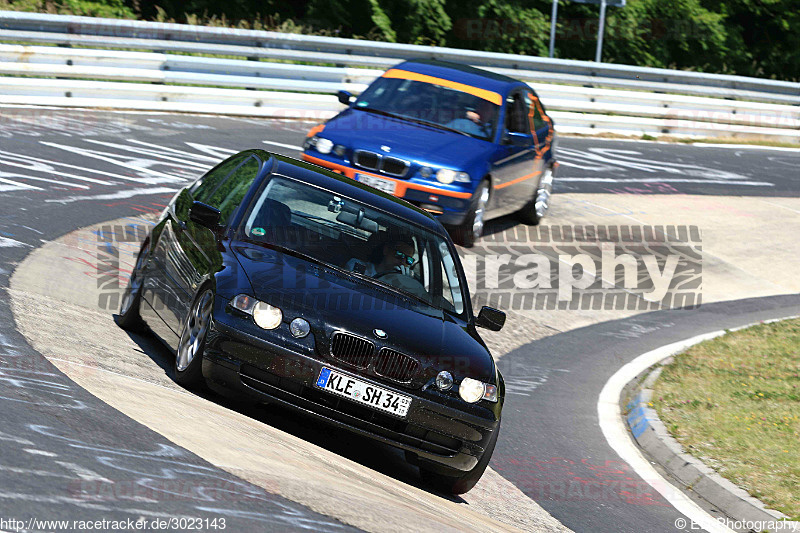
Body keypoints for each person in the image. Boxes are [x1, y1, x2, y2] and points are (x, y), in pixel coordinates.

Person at [346, 231, 415, 278]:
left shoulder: (402, 284)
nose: (403, 261)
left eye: (409, 260)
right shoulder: (357, 266)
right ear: (386, 250)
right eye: (399, 254)